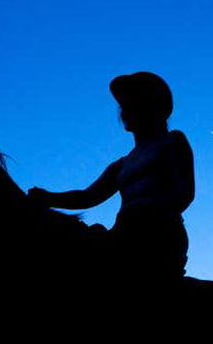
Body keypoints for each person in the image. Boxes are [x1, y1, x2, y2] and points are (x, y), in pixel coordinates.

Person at [28, 71, 194, 283]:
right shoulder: (122, 164)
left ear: (152, 106)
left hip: (159, 234)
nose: (124, 109)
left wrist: (153, 221)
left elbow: (186, 192)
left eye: (133, 102)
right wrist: (49, 198)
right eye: (124, 104)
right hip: (125, 230)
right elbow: (88, 196)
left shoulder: (173, 141)